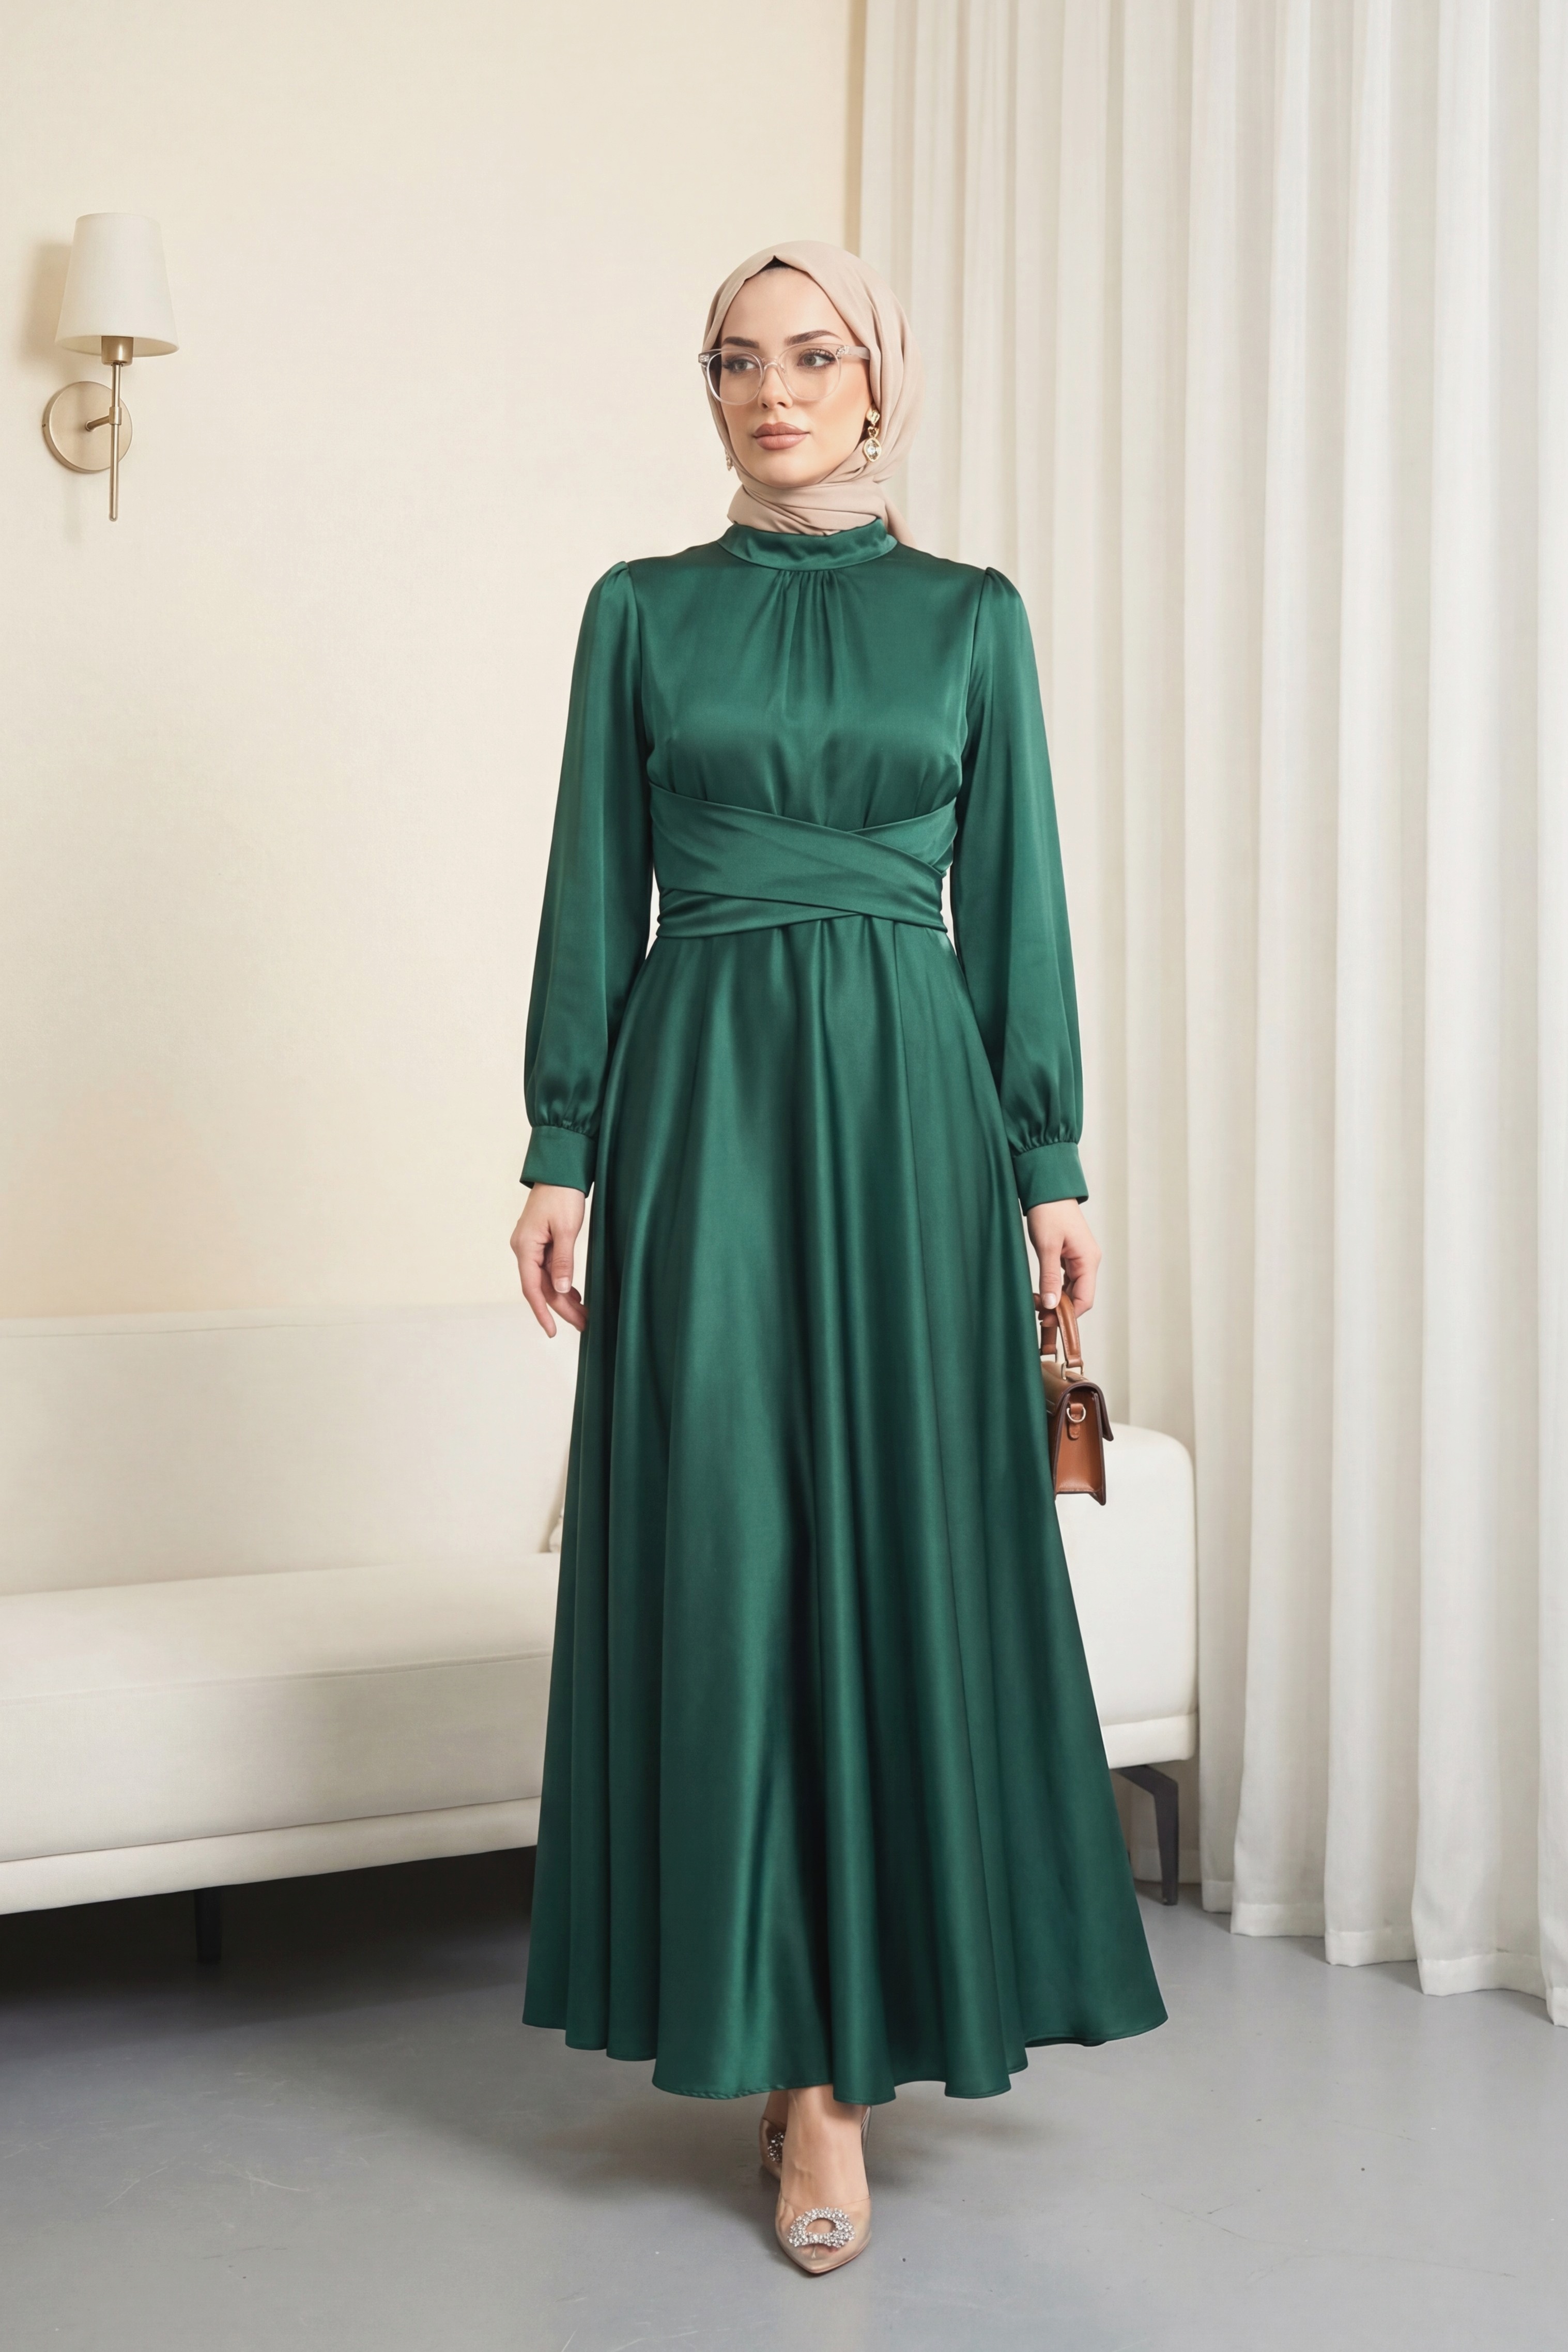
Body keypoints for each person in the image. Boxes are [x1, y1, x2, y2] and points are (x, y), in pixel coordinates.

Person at [510, 239, 1164, 2278]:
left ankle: (837, 2080)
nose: (771, 390)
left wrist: (1047, 1157)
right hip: (701, 1098)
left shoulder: (971, 618)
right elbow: (591, 884)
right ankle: (758, 2015)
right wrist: (560, 1142)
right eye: (735, 360)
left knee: (894, 1550)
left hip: (906, 1106)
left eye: (810, 356)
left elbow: (1021, 891)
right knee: (727, 1548)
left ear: (879, 381)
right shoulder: (639, 610)